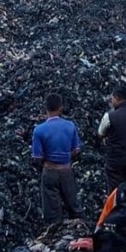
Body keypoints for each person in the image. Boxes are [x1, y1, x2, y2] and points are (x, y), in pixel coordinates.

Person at [31, 93, 84, 224]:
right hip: (66, 171)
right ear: (61, 108)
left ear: (46, 108)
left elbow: (37, 157)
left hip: (49, 172)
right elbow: (77, 149)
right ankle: (80, 234)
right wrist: (65, 156)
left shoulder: (39, 130)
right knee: (73, 206)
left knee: (52, 212)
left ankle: (55, 238)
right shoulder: (70, 126)